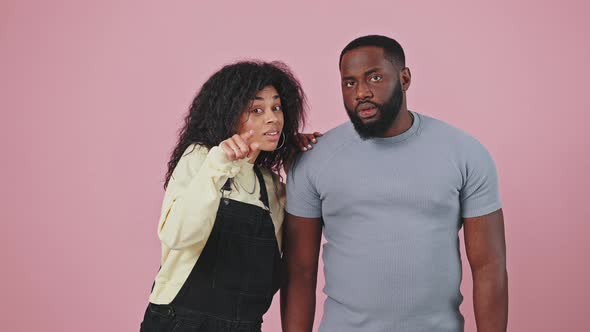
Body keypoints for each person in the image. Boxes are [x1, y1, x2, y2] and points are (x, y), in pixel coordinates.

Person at [281, 35, 508, 332]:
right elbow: (299, 271)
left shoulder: (464, 153)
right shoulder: (314, 160)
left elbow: (489, 266)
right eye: (349, 83)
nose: (361, 92)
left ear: (404, 78)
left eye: (374, 77)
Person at [140, 60, 320, 332]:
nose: (272, 118)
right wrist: (218, 164)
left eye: (276, 107)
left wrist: (301, 163)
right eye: (256, 110)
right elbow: (178, 236)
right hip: (179, 323)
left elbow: (279, 274)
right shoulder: (200, 158)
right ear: (229, 114)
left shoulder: (271, 186)